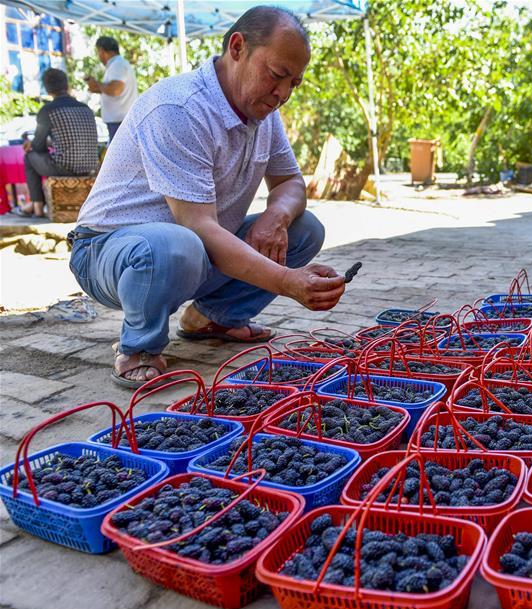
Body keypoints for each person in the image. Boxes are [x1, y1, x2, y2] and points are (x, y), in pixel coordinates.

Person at [69, 6, 346, 388]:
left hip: (193, 250)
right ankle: (139, 347)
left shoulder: (265, 115)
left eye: (293, 84)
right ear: (237, 48)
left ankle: (213, 318)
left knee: (304, 229)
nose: (282, 94)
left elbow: (291, 184)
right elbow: (197, 225)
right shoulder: (180, 108)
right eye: (277, 75)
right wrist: (287, 281)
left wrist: (276, 216)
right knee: (175, 244)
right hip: (108, 251)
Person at [19, 68, 98, 218]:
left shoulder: (47, 110)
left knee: (29, 157)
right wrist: (50, 143)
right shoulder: (85, 108)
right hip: (89, 166)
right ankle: (36, 205)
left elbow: (38, 146)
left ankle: (36, 206)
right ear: (67, 86)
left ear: (48, 90)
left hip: (65, 167)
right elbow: (71, 140)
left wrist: (32, 143)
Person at [86, 36, 137, 143]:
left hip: (119, 121)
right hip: (119, 120)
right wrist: (97, 87)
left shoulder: (117, 65)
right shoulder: (117, 64)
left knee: (119, 157)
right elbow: (113, 89)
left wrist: (97, 84)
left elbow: (115, 90)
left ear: (101, 50)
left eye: (98, 52)